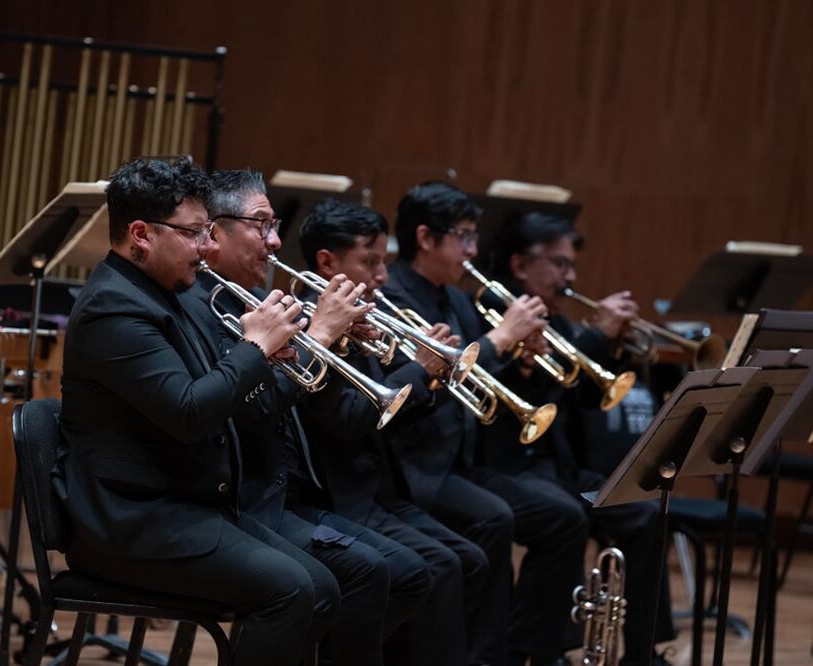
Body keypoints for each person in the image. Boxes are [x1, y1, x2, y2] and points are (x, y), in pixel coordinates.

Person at [57, 158, 339, 665]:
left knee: (322, 585)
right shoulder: (114, 309)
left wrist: (264, 356)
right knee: (291, 591)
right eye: (193, 233)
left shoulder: (165, 293)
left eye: (209, 231)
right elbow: (189, 413)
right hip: (131, 522)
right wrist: (254, 349)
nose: (208, 247)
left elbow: (214, 390)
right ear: (140, 234)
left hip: (184, 503)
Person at [182, 169, 431, 665]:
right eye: (261, 225)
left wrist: (331, 339)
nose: (275, 242)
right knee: (364, 573)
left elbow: (303, 391)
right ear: (213, 230)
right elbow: (249, 410)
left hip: (291, 492)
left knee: (410, 573)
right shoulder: (200, 305)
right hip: (243, 501)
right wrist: (317, 336)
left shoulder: (253, 301)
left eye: (275, 225)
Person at [381, 181, 589, 666]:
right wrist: (501, 339)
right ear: (427, 237)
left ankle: (526, 650)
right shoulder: (394, 295)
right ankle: (482, 657)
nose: (474, 250)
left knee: (564, 518)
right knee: (494, 518)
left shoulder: (456, 300)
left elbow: (483, 380)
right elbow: (444, 379)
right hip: (416, 466)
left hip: (465, 460)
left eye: (476, 237)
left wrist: (522, 359)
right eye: (465, 237)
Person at [297, 197, 490, 666]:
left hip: (380, 488)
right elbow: (346, 419)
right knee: (439, 565)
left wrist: (434, 379)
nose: (383, 276)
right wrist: (417, 373)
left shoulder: (360, 321)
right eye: (370, 262)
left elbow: (389, 409)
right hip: (340, 496)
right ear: (327, 263)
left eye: (383, 261)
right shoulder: (308, 325)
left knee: (472, 560)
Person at [481, 212, 676, 665]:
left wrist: (606, 346)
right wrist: (594, 337)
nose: (569, 277)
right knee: (564, 517)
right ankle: (532, 650)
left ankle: (644, 651)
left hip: (561, 469)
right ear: (519, 265)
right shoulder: (491, 318)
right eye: (558, 264)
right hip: (509, 466)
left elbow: (588, 401)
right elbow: (522, 400)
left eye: (572, 267)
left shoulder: (563, 326)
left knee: (646, 513)